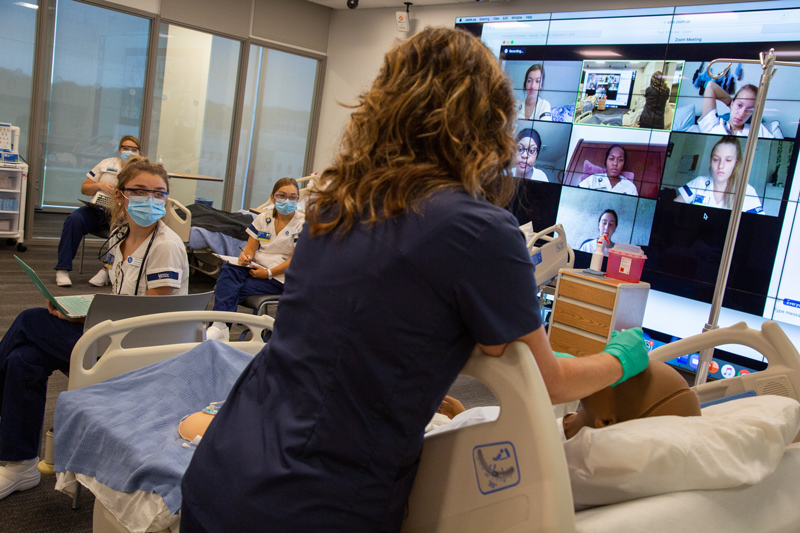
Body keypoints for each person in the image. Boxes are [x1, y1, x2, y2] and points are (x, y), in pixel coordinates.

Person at [181, 27, 649, 532]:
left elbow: (360, 341)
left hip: (225, 464)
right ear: (489, 120)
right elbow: (546, 380)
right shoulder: (480, 230)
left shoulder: (338, 204)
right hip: (311, 501)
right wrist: (621, 356)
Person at [0, 156, 188, 501]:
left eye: (160, 193)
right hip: (113, 335)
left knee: (29, 321)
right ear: (120, 196)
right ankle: (20, 465)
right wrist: (80, 313)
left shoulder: (166, 247)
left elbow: (153, 321)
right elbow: (121, 298)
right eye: (141, 191)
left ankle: (17, 460)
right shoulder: (121, 235)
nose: (152, 199)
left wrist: (86, 321)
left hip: (140, 355)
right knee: (24, 360)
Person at [429, 360, 701, 441]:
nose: (609, 364)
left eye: (621, 375)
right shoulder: (564, 421)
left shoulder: (545, 452)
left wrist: (456, 421)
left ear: (606, 421)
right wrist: (464, 413)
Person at [205, 178, 305, 342]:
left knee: (229, 288)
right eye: (282, 195)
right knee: (228, 269)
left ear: (298, 200)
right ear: (273, 198)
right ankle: (220, 326)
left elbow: (297, 260)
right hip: (255, 268)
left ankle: (219, 327)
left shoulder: (302, 224)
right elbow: (250, 248)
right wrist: (245, 257)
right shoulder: (263, 219)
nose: (287, 200)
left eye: (293, 197)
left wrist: (268, 273)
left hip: (281, 277)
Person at [54, 135, 142, 288]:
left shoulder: (140, 171)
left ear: (139, 152)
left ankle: (106, 269)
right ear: (120, 150)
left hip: (122, 214)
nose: (129, 151)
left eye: (134, 149)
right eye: (126, 148)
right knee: (74, 219)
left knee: (124, 231)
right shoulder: (106, 163)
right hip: (98, 209)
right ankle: (62, 269)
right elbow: (84, 188)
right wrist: (99, 185)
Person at [675, 136, 764, 213]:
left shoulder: (747, 191)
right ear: (711, 161)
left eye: (728, 160)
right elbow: (673, 209)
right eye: (716, 159)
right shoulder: (700, 182)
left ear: (736, 163)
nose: (721, 166)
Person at [698, 80, 773, 138]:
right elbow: (711, 86)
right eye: (739, 105)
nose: (741, 113)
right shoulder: (713, 126)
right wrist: (730, 104)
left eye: (749, 110)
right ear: (733, 103)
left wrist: (735, 105)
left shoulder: (757, 131)